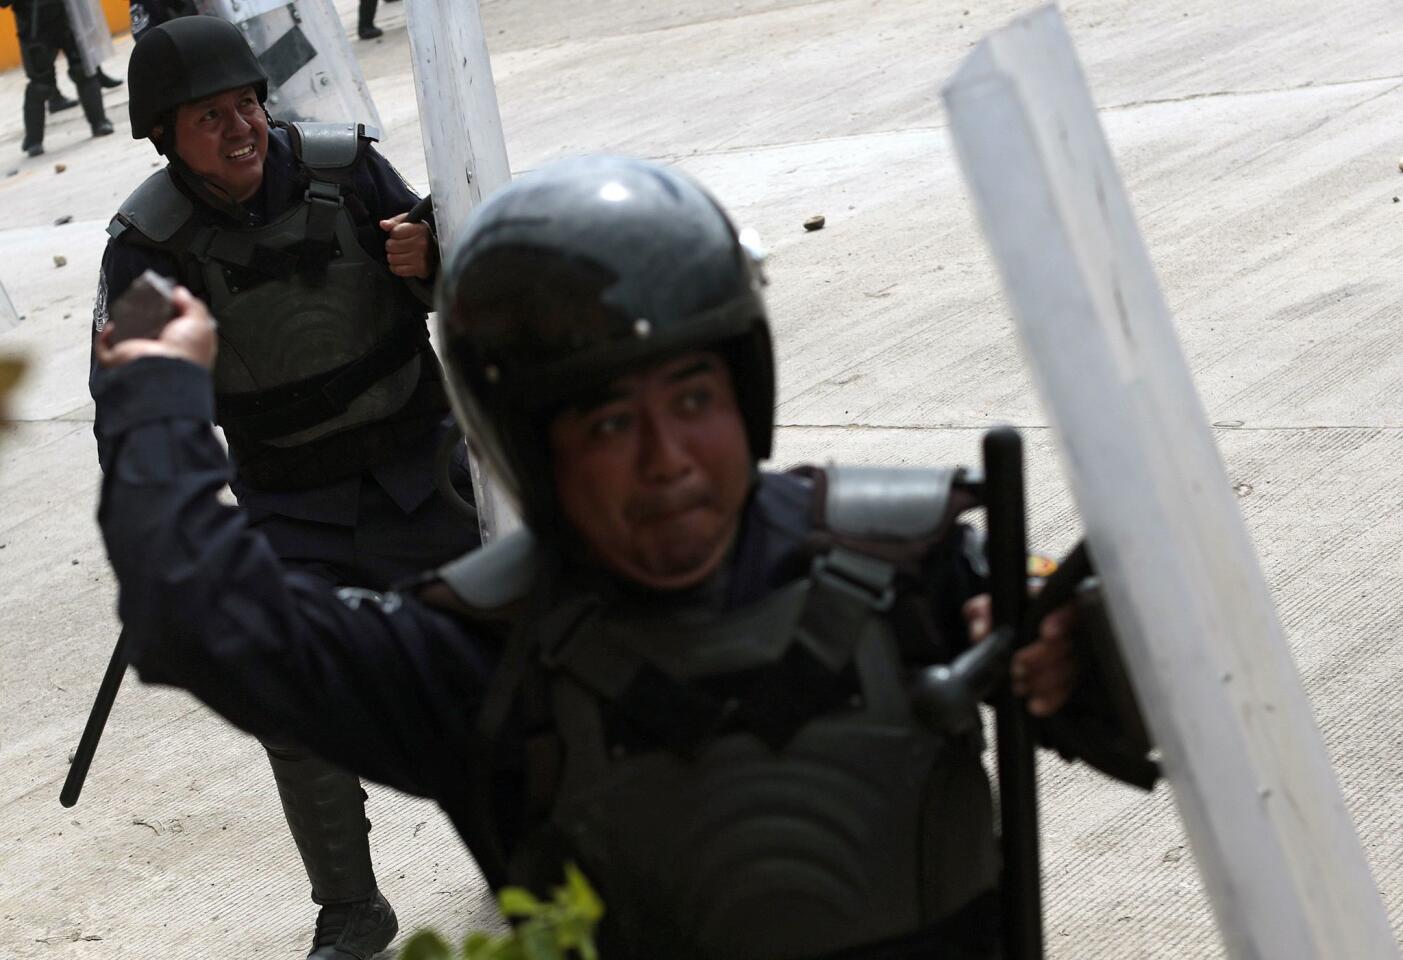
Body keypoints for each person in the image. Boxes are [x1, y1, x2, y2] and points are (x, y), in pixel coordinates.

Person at [94, 155, 1144, 959]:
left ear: (746, 391)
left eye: (692, 399)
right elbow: (198, 611)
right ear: (529, 444)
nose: (665, 462)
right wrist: (154, 384)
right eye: (605, 425)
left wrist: (1072, 656)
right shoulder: (481, 664)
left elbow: (1175, 696)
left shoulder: (908, 562)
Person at [88, 15, 480, 960]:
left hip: (421, 475)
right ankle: (350, 908)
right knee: (295, 702)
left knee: (500, 669)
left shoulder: (349, 174)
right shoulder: (152, 244)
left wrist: (434, 261)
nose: (240, 129)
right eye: (208, 117)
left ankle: (543, 842)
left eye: (247, 104)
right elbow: (133, 407)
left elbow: (481, 285)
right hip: (289, 503)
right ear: (163, 137)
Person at [3, 0, 114, 156]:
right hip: (33, 24)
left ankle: (99, 122)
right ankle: (34, 140)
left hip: (68, 15)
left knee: (83, 70)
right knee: (41, 85)